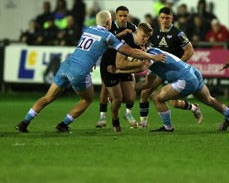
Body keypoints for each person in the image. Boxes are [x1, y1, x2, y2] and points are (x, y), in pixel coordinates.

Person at [15, 10, 165, 133]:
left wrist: (96, 58)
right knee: (87, 99)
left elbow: (94, 46)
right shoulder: (108, 36)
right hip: (80, 71)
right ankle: (63, 124)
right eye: (111, 20)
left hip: (66, 65)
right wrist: (152, 56)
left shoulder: (89, 29)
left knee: (47, 98)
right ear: (108, 22)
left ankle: (24, 122)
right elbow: (130, 51)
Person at [109, 47, 229, 132]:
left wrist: (119, 70)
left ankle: (168, 127)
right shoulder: (153, 51)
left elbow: (141, 66)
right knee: (209, 100)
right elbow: (148, 82)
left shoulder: (150, 55)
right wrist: (132, 89)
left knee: (157, 98)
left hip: (185, 79)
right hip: (193, 73)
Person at [139, 7, 198, 128]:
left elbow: (190, 51)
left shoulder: (178, 33)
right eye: (162, 18)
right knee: (145, 93)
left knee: (174, 103)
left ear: (172, 18)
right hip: (157, 70)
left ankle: (193, 107)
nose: (165, 20)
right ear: (159, 18)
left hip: (171, 70)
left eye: (167, 18)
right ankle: (143, 124)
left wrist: (178, 65)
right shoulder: (154, 33)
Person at [99, 22, 153, 132]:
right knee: (118, 99)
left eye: (147, 37)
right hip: (109, 67)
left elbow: (142, 68)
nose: (145, 39)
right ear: (136, 32)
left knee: (130, 98)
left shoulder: (143, 46)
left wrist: (139, 64)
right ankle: (115, 123)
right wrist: (139, 62)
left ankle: (113, 98)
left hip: (121, 68)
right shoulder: (126, 39)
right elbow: (119, 64)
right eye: (143, 36)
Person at [95, 6, 139, 129]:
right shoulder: (109, 27)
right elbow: (104, 43)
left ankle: (128, 113)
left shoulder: (132, 28)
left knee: (130, 96)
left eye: (125, 16)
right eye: (120, 16)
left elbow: (136, 44)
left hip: (124, 63)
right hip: (109, 63)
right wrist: (121, 34)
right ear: (116, 17)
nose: (123, 18)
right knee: (105, 89)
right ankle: (102, 116)